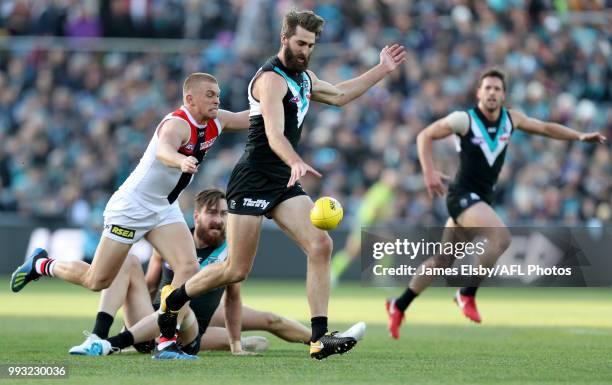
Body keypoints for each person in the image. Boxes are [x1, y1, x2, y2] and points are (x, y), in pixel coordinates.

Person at [157, 10, 406, 360]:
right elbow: (273, 133)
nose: (305, 50)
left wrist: (382, 69)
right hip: (253, 179)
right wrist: (295, 161)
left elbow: (339, 95)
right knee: (235, 270)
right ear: (284, 38)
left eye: (311, 45)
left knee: (321, 244)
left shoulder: (304, 78)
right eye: (301, 42)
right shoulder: (270, 80)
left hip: (282, 181)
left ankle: (319, 338)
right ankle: (174, 298)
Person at [10, 73, 250, 357]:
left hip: (163, 206)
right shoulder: (177, 123)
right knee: (96, 280)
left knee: (188, 269)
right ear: (190, 99)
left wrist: (284, 101)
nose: (216, 99)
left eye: (217, 93)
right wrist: (180, 160)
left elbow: (249, 118)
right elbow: (163, 150)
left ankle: (166, 340)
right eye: (210, 94)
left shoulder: (217, 120)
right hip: (133, 207)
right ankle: (41, 265)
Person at [385, 68, 607, 339]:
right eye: (487, 88)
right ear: (479, 92)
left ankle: (399, 304)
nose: (491, 93)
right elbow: (424, 136)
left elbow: (546, 128)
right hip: (461, 197)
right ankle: (467, 293)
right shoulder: (463, 119)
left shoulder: (511, 119)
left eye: (497, 89)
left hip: (479, 199)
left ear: (504, 95)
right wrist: (429, 172)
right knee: (501, 237)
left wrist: (579, 136)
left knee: (443, 260)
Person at [69, 188, 365, 359]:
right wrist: (139, 313)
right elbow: (148, 285)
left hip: (199, 322)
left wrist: (236, 345)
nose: (220, 220)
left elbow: (233, 299)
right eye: (213, 213)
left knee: (270, 320)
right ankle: (109, 339)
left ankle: (322, 339)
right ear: (195, 216)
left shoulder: (231, 251)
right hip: (163, 322)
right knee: (150, 278)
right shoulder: (171, 243)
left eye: (225, 214)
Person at [330, 168, 399, 287]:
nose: (395, 180)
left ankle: (381, 278)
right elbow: (375, 211)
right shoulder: (382, 190)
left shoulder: (386, 191)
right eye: (392, 177)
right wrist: (388, 214)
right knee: (352, 251)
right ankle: (331, 274)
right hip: (365, 223)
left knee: (389, 244)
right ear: (385, 178)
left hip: (371, 224)